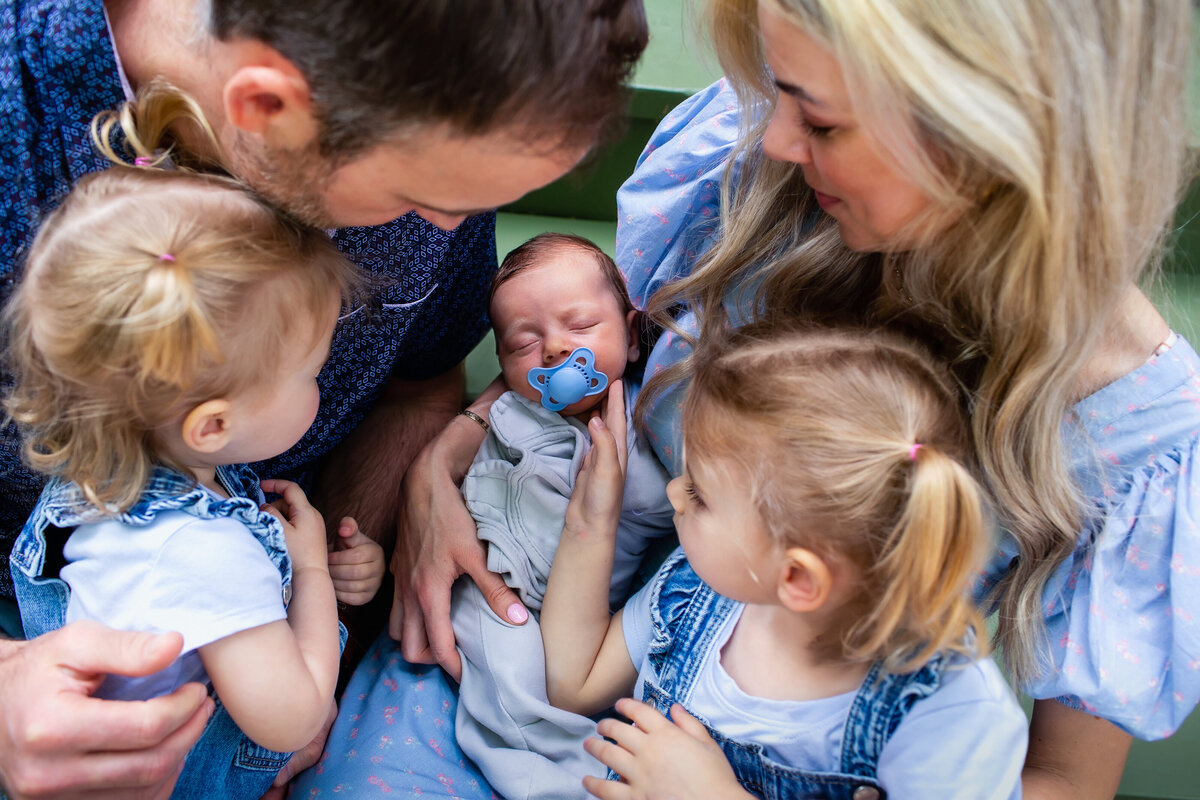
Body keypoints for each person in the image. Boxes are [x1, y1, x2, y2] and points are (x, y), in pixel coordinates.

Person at [398, 0, 1198, 795]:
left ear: (988, 137)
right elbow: (580, 362)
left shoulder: (1133, 450)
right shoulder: (759, 154)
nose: (776, 136)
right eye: (777, 91)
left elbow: (1055, 780)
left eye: (820, 123)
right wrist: (450, 450)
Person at [0, 0, 648, 795]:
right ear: (267, 109)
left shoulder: (435, 137)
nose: (448, 227)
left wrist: (411, 491)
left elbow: (420, 383)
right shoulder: (16, 103)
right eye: (419, 194)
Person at [5, 163, 388, 798]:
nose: (320, 385)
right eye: (310, 374)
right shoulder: (206, 554)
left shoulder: (109, 472)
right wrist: (314, 573)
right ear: (212, 426)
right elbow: (292, 718)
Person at [542, 322, 1027, 799]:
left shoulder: (944, 713)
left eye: (700, 494)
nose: (674, 493)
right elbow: (576, 683)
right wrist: (591, 521)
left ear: (796, 577)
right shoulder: (699, 592)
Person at [296, 233, 675, 799]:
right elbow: (446, 502)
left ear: (633, 330)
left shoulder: (645, 430)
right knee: (449, 625)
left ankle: (559, 770)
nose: (552, 351)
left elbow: (657, 508)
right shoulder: (505, 412)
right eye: (523, 343)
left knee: (517, 670)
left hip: (546, 610)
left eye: (580, 326)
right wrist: (378, 556)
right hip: (470, 582)